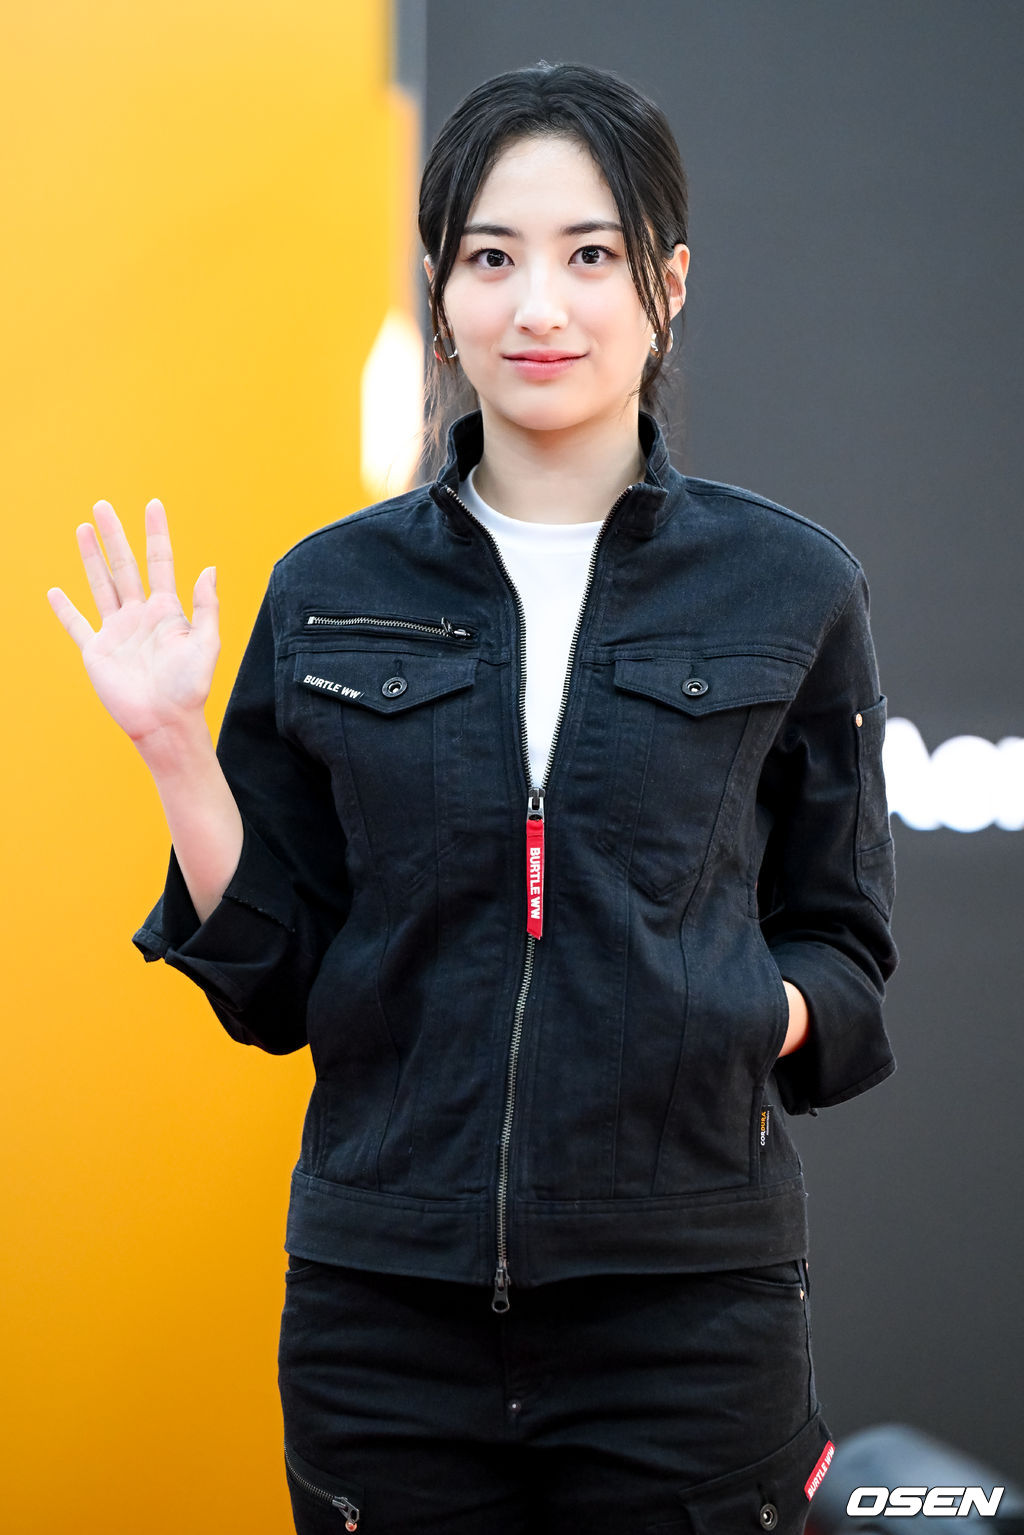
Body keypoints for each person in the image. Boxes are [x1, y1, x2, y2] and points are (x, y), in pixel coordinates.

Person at [48, 60, 897, 1535]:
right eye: (491, 259)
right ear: (440, 293)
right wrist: (176, 747)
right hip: (385, 1316)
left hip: (689, 1314)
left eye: (590, 256)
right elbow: (276, 979)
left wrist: (735, 1010)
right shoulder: (333, 588)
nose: (538, 307)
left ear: (667, 284)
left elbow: (845, 947)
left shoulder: (792, 586)